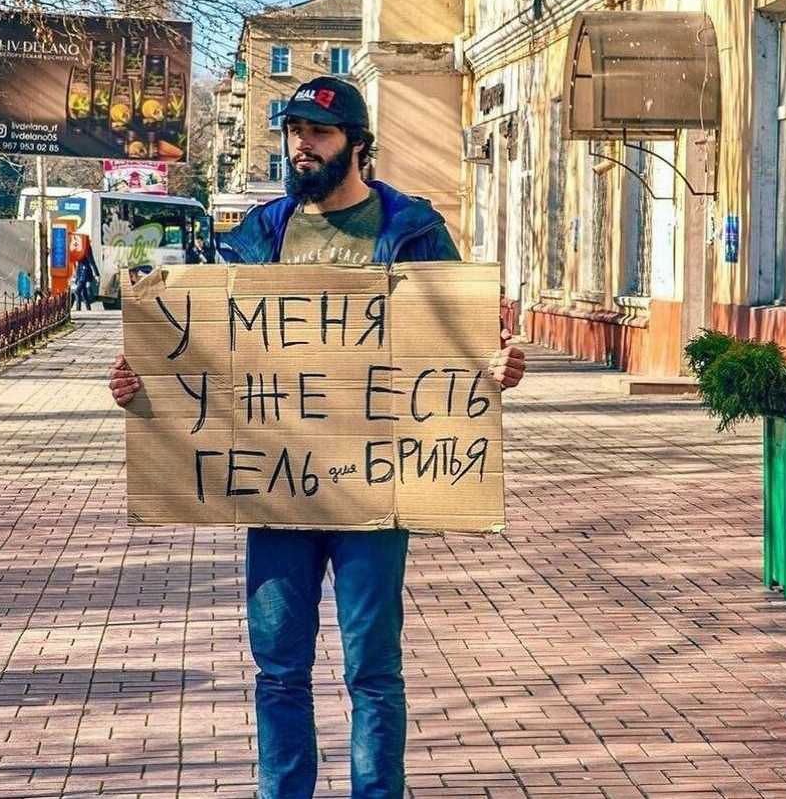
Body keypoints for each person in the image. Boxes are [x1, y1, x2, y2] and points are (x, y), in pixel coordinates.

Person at [108, 76, 526, 799]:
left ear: (358, 144)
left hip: (376, 488)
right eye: (295, 131)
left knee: (372, 668)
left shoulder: (413, 230)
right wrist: (142, 382)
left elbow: (461, 342)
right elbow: (204, 351)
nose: (302, 145)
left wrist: (496, 366)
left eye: (320, 133)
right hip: (275, 491)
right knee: (278, 668)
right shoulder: (254, 237)